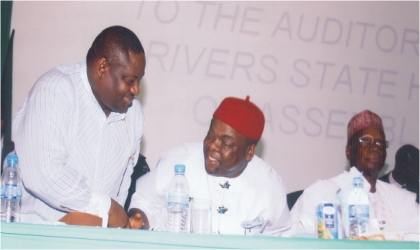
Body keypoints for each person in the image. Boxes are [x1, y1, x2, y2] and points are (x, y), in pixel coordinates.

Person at [12, 26, 146, 228]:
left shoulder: (133, 115)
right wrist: (105, 208)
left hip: (95, 241)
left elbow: (122, 187)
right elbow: (42, 174)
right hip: (38, 236)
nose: (136, 89)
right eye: (130, 80)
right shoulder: (56, 90)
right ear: (102, 68)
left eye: (139, 81)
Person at [128, 96, 291, 235]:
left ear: (249, 151)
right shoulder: (179, 161)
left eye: (225, 143)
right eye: (210, 135)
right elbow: (143, 199)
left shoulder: (270, 189)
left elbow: (281, 238)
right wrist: (139, 216)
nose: (212, 146)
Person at [283, 110, 419, 240]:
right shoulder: (321, 193)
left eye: (380, 143)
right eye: (365, 141)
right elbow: (295, 243)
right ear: (348, 151)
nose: (374, 147)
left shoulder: (402, 200)